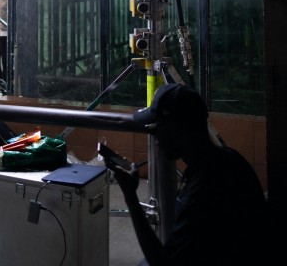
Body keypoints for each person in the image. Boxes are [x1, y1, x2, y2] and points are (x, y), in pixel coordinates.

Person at [102, 83, 269, 266]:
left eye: (157, 127)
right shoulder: (227, 159)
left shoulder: (201, 193)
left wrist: (131, 197)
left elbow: (162, 262)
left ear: (178, 128)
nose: (154, 136)